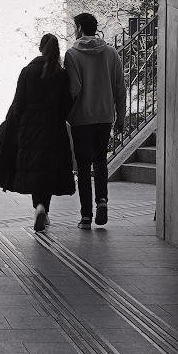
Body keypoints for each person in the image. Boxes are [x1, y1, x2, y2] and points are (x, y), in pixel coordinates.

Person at [0, 33, 74, 231]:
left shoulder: (27, 71)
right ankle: (43, 208)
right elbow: (67, 104)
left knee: (33, 166)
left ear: (40, 48)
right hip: (54, 128)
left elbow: (18, 103)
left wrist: (17, 124)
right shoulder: (61, 73)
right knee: (46, 168)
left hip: (29, 127)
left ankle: (38, 207)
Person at [64, 12, 126, 227]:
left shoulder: (72, 54)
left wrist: (65, 114)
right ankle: (102, 200)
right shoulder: (111, 53)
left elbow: (74, 88)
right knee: (100, 159)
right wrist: (121, 116)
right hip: (105, 115)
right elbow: (120, 87)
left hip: (81, 117)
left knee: (82, 166)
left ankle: (86, 216)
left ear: (79, 28)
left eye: (74, 27)